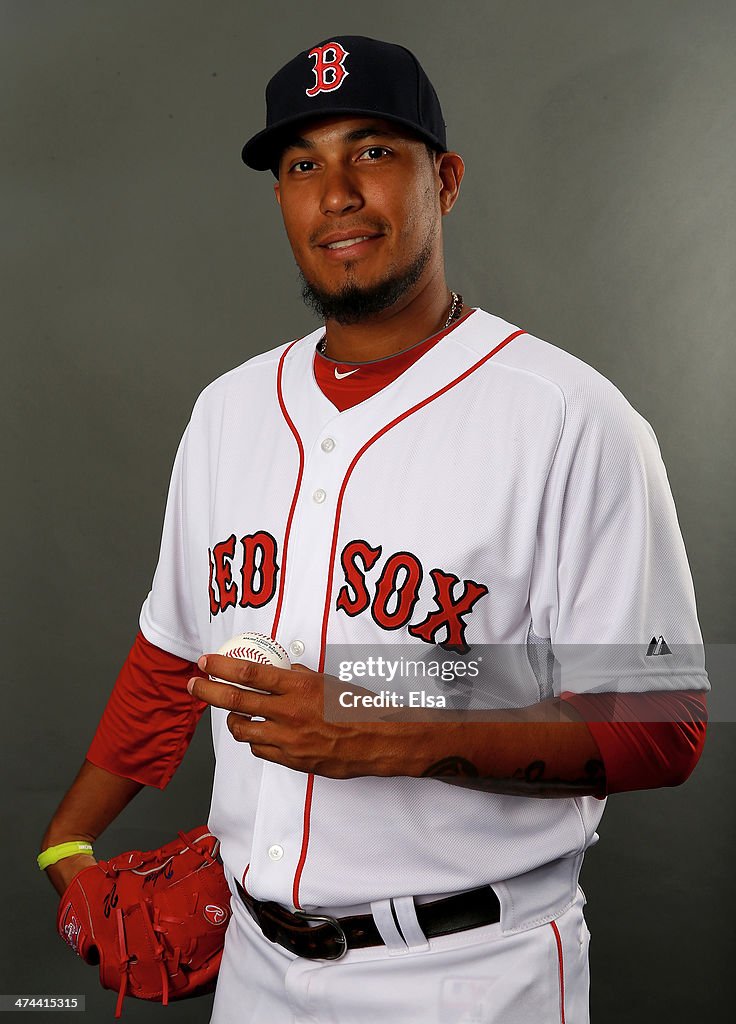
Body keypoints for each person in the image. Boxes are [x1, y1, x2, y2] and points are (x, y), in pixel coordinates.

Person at [41, 35, 709, 1024]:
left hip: (470, 973)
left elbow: (667, 721)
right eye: (302, 164)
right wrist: (67, 844)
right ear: (281, 200)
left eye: (372, 151)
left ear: (444, 177)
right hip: (255, 967)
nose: (337, 191)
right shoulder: (228, 410)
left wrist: (376, 714)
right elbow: (173, 653)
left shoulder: (572, 416)